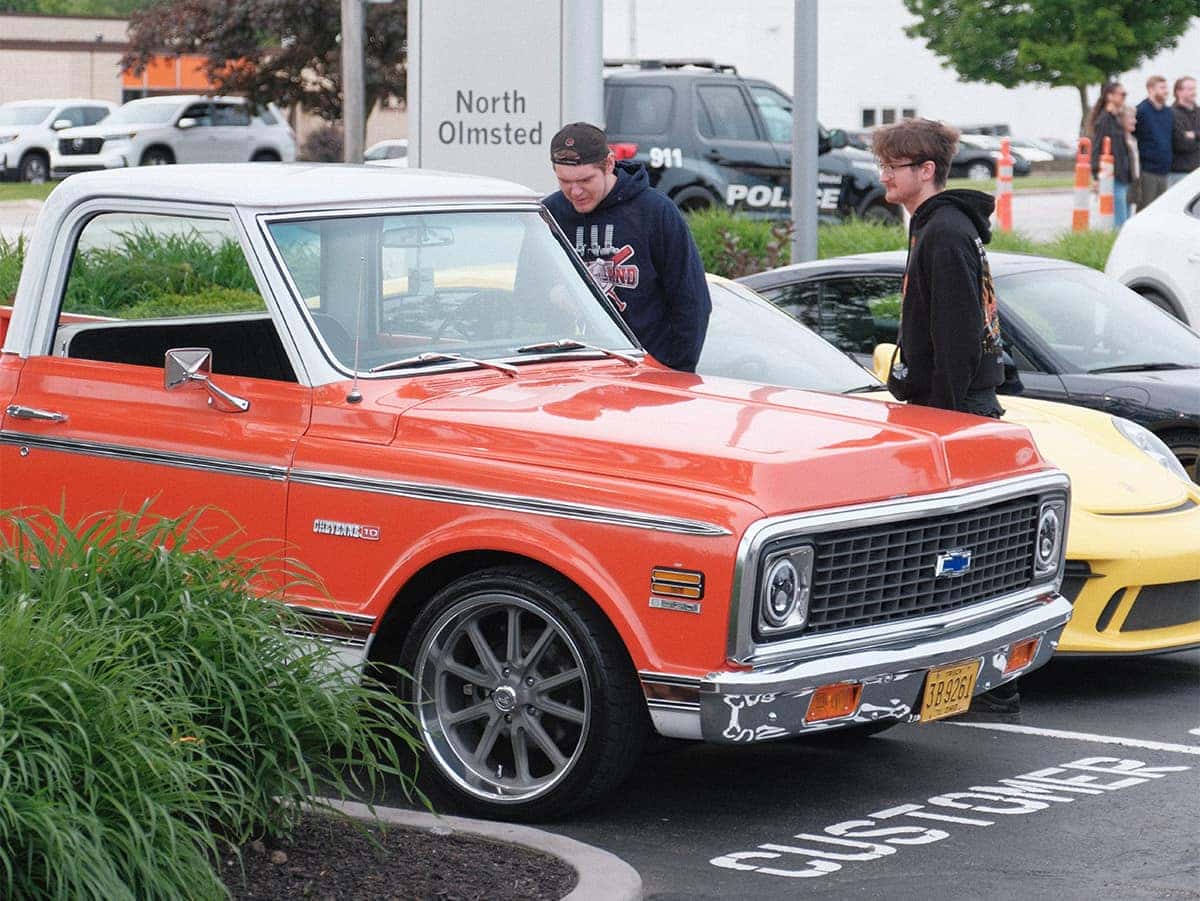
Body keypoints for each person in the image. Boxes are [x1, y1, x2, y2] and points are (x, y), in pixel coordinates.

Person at [871, 118, 1017, 719]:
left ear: (925, 171)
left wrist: (947, 425)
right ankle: (961, 674)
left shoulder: (945, 234)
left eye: (893, 166)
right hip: (947, 406)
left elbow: (959, 339)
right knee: (954, 550)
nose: (884, 175)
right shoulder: (937, 228)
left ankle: (996, 679)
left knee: (967, 551)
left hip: (955, 411)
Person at [544, 122, 710, 372]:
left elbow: (692, 301)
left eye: (585, 180)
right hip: (575, 374)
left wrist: (675, 369)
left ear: (609, 164)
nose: (575, 191)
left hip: (650, 374)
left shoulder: (655, 212)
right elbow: (527, 296)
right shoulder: (551, 214)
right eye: (564, 181)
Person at [1087, 82, 1134, 227]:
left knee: (1125, 219)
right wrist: (1096, 175)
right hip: (1112, 177)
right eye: (1122, 94)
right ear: (1110, 96)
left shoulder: (1116, 120)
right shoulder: (1104, 120)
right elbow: (1096, 148)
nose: (1124, 97)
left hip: (1123, 176)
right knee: (1119, 222)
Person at [1134, 75, 1174, 208]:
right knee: (1146, 207)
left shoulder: (1168, 113)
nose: (1166, 91)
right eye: (1162, 88)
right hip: (1147, 170)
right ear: (1150, 89)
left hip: (1164, 170)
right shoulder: (1141, 111)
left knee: (1160, 208)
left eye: (1166, 88)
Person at [1170, 76, 1198, 187]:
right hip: (1180, 172)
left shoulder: (1199, 112)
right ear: (1178, 92)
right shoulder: (1171, 113)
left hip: (1197, 171)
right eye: (1190, 89)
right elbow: (1181, 143)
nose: (1194, 92)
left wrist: (1194, 135)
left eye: (1194, 89)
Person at [1123, 105, 1142, 215]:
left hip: (1134, 180)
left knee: (1129, 211)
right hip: (1125, 180)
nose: (1134, 121)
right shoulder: (1121, 139)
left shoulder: (1133, 139)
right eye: (1131, 118)